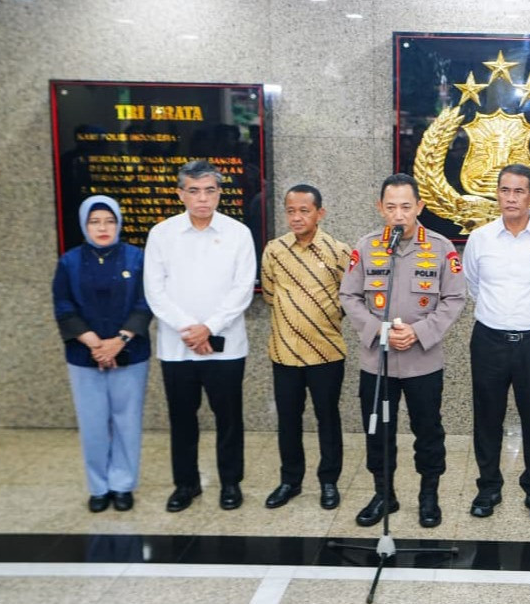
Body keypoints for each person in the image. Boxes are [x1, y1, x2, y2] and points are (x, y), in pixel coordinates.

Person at [339, 173, 466, 528]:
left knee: (428, 432)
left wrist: (420, 331)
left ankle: (429, 496)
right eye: (391, 207)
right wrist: (379, 331)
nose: (399, 215)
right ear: (380, 208)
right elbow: (348, 295)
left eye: (406, 207)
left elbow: (455, 297)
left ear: (419, 207)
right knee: (378, 431)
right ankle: (384, 494)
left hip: (423, 361)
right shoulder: (366, 247)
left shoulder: (441, 248)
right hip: (376, 363)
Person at [463, 163, 530, 522]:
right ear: (496, 193)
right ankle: (488, 486)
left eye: (519, 191)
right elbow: (473, 285)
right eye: (505, 190)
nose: (511, 198)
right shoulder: (479, 239)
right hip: (489, 340)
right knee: (487, 417)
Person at [144, 159, 256, 512]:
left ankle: (230, 483)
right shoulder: (161, 234)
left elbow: (242, 288)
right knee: (182, 419)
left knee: (229, 419)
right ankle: (186, 484)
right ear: (181, 194)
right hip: (177, 347)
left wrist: (209, 327)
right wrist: (189, 329)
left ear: (219, 193)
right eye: (194, 191)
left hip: (226, 345)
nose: (202, 199)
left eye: (209, 190)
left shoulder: (238, 233)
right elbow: (154, 291)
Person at [52, 196, 152, 512]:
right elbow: (63, 306)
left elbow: (146, 302)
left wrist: (119, 340)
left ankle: (122, 485)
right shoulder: (69, 262)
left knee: (127, 421)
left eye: (109, 221)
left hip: (130, 352)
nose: (103, 228)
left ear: (119, 223)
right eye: (95, 222)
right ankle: (98, 487)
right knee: (93, 423)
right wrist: (94, 343)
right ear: (84, 225)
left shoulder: (137, 258)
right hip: (85, 357)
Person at [260, 184, 352, 511]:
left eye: (304, 211)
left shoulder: (338, 251)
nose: (296, 217)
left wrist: (318, 318)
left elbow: (349, 297)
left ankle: (329, 481)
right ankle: (290, 480)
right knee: (288, 419)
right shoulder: (274, 250)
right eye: (291, 211)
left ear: (320, 213)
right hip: (284, 351)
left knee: (327, 418)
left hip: (326, 351)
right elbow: (270, 295)